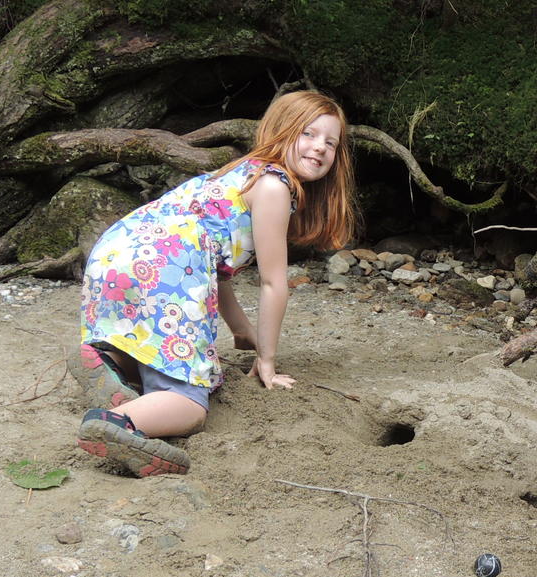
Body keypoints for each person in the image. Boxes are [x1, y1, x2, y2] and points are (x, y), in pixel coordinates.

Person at [68, 90, 358, 476]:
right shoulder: (274, 188)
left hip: (119, 251)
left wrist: (242, 330)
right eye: (308, 133)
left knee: (155, 345)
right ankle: (118, 423)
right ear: (281, 131)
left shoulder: (242, 172)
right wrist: (267, 361)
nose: (319, 147)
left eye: (330, 142)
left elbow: (215, 275)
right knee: (190, 403)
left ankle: (113, 360)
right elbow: (273, 283)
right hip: (165, 269)